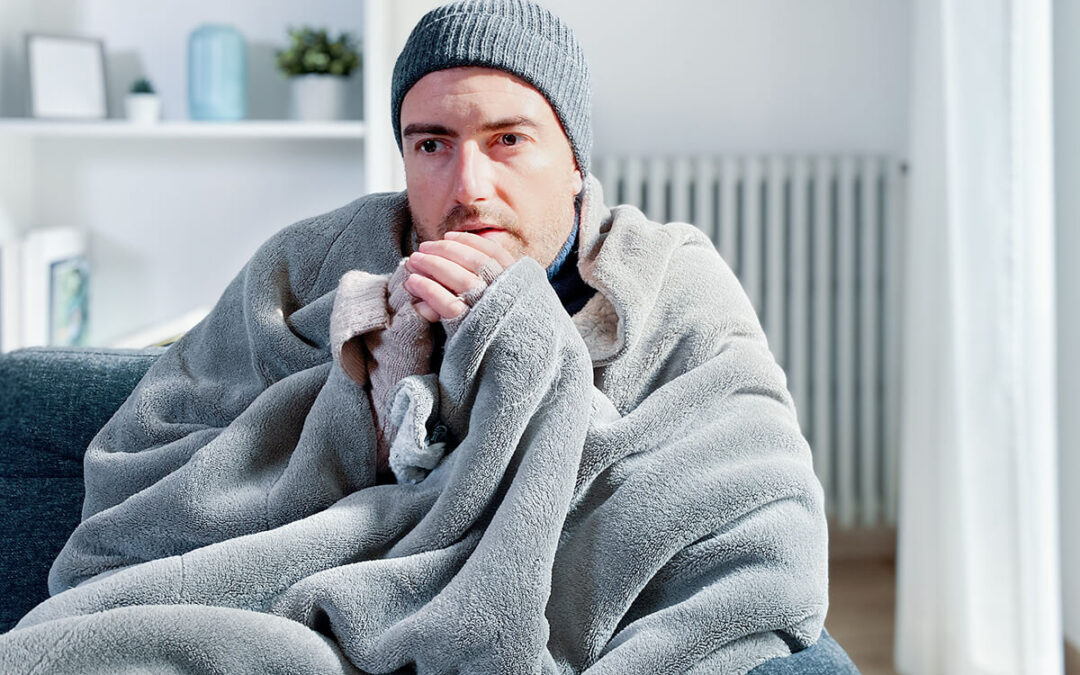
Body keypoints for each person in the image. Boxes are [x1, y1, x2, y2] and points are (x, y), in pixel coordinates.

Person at [0, 1, 857, 672]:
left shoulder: (668, 284)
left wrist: (525, 357)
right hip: (295, 621)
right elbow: (138, 479)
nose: (468, 184)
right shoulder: (308, 267)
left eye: (509, 140)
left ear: (575, 160)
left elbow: (763, 528)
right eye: (433, 144)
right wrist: (352, 403)